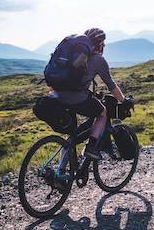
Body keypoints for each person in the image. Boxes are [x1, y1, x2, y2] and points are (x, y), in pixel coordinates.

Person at [52, 28, 129, 180]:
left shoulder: (73, 53)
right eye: (103, 44)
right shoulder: (98, 60)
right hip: (75, 98)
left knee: (72, 137)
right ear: (99, 44)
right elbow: (111, 86)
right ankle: (91, 147)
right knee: (102, 112)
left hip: (56, 95)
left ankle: (60, 172)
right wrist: (124, 100)